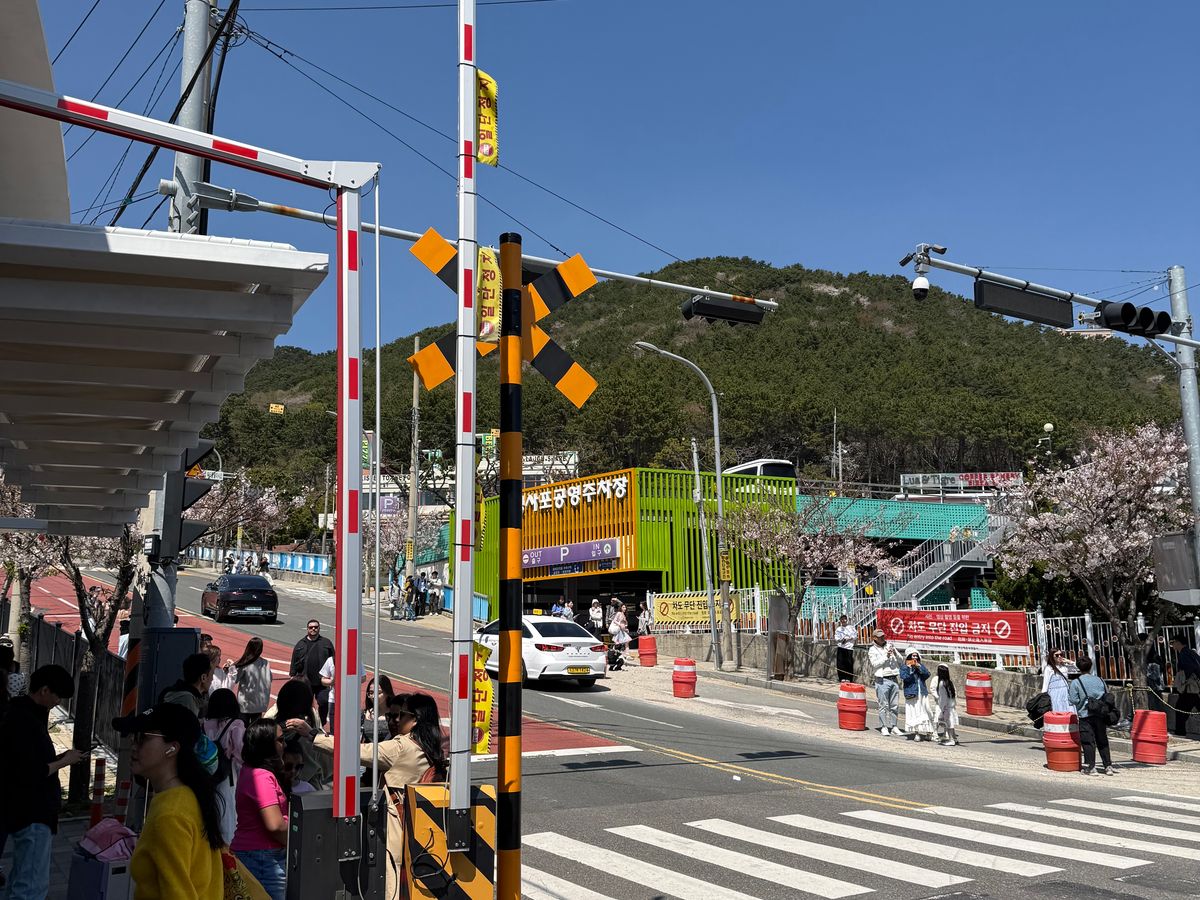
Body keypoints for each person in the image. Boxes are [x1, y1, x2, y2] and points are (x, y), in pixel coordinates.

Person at [291, 692, 446, 900]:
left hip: (398, 826)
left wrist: (313, 735)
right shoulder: (432, 747)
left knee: (394, 881)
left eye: (402, 715)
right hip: (423, 826)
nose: (397, 720)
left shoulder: (402, 747)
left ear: (415, 719)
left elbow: (356, 751)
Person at [115, 704, 224, 900]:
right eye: (133, 737)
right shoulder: (188, 795)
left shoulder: (169, 815)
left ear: (172, 748)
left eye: (143, 737)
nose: (133, 745)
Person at [0, 665, 82, 900]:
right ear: (44, 690)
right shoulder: (25, 720)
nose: (58, 702)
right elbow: (30, 771)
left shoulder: (20, 713)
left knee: (22, 880)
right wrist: (64, 761)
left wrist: (59, 759)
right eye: (58, 696)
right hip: (33, 811)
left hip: (23, 809)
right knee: (31, 887)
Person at [230, 719, 289, 900]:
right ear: (266, 744)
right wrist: (296, 842)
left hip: (257, 855)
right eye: (280, 740)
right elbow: (275, 825)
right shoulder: (261, 776)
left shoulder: (249, 770)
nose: (285, 745)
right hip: (263, 858)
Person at [202, 689, 245, 846]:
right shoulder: (236, 725)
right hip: (227, 774)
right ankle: (226, 848)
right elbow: (240, 753)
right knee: (227, 813)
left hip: (205, 773)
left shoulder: (203, 724)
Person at [268, 680, 325, 789]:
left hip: (276, 787)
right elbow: (329, 761)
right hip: (310, 790)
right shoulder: (314, 736)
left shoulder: (270, 728)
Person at [1068, 656, 1115, 776]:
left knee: (1088, 741)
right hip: (1100, 714)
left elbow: (1073, 700)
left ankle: (1091, 767)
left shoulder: (1076, 682)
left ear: (1078, 668)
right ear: (1091, 666)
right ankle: (1108, 766)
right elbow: (1106, 694)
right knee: (1102, 740)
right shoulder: (1100, 680)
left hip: (1085, 715)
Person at [290, 619, 335, 725]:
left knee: (324, 702)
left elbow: (334, 659)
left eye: (316, 627)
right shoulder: (300, 644)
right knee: (304, 704)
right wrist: (292, 675)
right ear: (307, 629)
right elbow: (294, 660)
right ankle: (308, 724)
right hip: (305, 681)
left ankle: (321, 723)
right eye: (311, 627)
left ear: (319, 628)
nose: (313, 629)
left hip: (322, 682)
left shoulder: (326, 643)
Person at [867, 629, 901, 735]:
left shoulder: (889, 645)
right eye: (880, 637)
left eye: (883, 636)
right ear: (875, 638)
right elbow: (875, 664)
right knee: (883, 705)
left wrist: (895, 652)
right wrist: (886, 656)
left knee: (895, 705)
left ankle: (894, 726)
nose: (882, 638)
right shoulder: (872, 650)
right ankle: (884, 726)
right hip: (882, 680)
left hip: (894, 678)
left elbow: (900, 660)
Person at [160, 652, 213, 718]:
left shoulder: (176, 692)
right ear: (203, 678)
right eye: (212, 675)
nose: (212, 679)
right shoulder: (187, 700)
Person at [231, 636, 271, 721]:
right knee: (255, 726)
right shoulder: (266, 663)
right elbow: (269, 678)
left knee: (242, 725)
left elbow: (235, 679)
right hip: (260, 702)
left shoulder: (245, 663)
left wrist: (231, 668)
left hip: (246, 702)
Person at [899, 649, 934, 741]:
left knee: (925, 711)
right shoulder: (904, 667)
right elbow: (905, 678)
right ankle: (916, 733)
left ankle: (929, 732)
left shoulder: (920, 665)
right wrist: (910, 669)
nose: (915, 658)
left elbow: (927, 675)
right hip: (912, 692)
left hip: (922, 693)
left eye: (916, 656)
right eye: (913, 656)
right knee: (914, 712)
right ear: (909, 657)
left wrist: (919, 667)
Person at [1170, 637, 1200, 737]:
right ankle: (1180, 732)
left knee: (1180, 708)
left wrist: (1185, 680)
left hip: (1189, 687)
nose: (1172, 645)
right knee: (1185, 707)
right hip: (1193, 687)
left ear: (1178, 642)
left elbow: (1191, 667)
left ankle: (1180, 732)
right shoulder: (1190, 652)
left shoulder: (1184, 653)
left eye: (1173, 642)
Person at [930, 664, 960, 746]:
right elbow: (954, 695)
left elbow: (942, 698)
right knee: (951, 723)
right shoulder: (949, 682)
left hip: (945, 707)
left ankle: (951, 740)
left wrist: (942, 708)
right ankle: (954, 738)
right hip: (951, 706)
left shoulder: (941, 684)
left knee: (949, 724)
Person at [363, 674, 395, 742]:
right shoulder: (363, 715)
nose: (374, 696)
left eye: (378, 692)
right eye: (371, 693)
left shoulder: (396, 716)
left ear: (387, 693)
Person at [1042, 648, 1075, 713]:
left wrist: (1069, 661)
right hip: (1054, 694)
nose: (1059, 656)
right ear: (1052, 656)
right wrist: (1043, 697)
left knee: (1068, 711)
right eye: (1057, 655)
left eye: (1061, 654)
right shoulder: (1049, 668)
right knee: (1057, 711)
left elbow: (1079, 668)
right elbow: (1045, 684)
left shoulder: (1064, 667)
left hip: (1065, 693)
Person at [834, 615, 856, 683]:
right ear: (840, 621)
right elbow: (836, 638)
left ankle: (849, 678)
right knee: (840, 663)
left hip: (849, 648)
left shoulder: (851, 628)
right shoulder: (838, 629)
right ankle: (842, 678)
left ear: (847, 620)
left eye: (844, 619)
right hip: (841, 647)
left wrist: (848, 638)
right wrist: (841, 639)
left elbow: (855, 636)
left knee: (848, 663)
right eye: (842, 619)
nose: (843, 621)